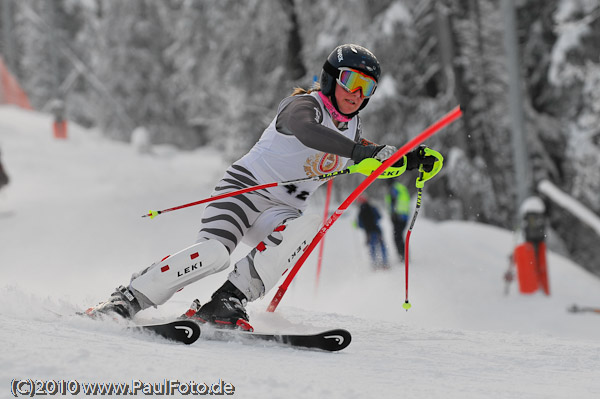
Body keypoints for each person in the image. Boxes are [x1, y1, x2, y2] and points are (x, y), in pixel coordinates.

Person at [87, 44, 440, 330]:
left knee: (309, 223)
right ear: (332, 79)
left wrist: (411, 161)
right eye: (351, 81)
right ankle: (129, 298)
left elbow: (371, 162)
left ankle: (228, 300)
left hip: (282, 212)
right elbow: (307, 132)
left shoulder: (351, 132)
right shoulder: (302, 105)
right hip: (244, 191)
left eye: (367, 87)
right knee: (214, 254)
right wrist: (364, 151)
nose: (357, 93)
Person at [356, 196, 389, 269]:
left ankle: (374, 263)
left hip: (369, 232)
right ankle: (385, 262)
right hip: (377, 230)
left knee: (372, 247)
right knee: (382, 245)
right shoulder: (373, 208)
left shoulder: (360, 212)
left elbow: (360, 225)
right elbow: (379, 217)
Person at [386, 182, 410, 260]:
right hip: (401, 216)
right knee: (399, 236)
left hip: (399, 217)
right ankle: (403, 254)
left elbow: (394, 202)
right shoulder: (401, 188)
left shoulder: (394, 189)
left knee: (397, 236)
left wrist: (393, 214)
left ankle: (402, 255)